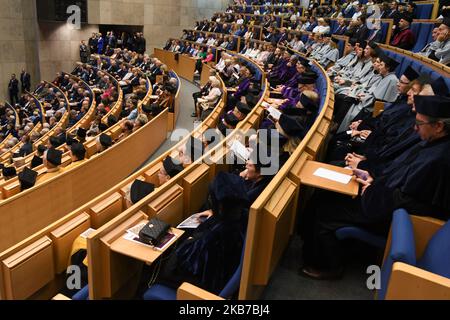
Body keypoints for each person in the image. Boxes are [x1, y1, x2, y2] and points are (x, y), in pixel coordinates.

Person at [299, 94, 450, 280]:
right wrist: (371, 177)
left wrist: (371, 188)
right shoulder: (432, 145)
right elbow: (398, 173)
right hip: (383, 196)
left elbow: (412, 200)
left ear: (439, 126)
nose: (414, 127)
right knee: (324, 195)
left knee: (327, 210)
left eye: (419, 123)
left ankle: (328, 266)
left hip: (397, 216)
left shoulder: (440, 159)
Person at [148, 171, 248, 295]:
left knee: (155, 265)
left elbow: (174, 270)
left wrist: (190, 241)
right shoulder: (243, 217)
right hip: (223, 270)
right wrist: (215, 214)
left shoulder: (209, 239)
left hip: (197, 288)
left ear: (219, 205)